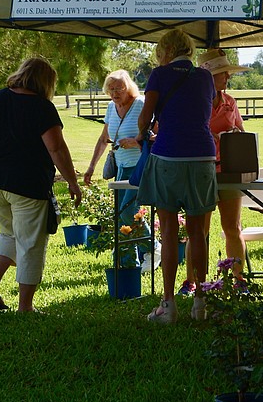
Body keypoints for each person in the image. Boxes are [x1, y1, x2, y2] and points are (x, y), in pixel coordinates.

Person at [0, 57, 82, 313]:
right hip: (28, 185)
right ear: (46, 82)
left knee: (10, 234)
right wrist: (72, 182)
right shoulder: (42, 107)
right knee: (30, 243)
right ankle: (25, 307)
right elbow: (56, 148)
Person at [136, 29, 216, 324]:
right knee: (198, 232)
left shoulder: (159, 74)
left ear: (167, 50)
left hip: (169, 153)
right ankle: (200, 302)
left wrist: (144, 133)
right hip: (203, 156)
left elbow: (145, 117)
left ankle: (168, 304)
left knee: (168, 231)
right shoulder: (206, 77)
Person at [178, 49, 249, 296]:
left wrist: (236, 136)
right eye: (222, 73)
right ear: (208, 77)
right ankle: (193, 282)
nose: (227, 76)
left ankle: (239, 280)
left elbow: (240, 129)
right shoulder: (194, 102)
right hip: (201, 171)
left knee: (232, 227)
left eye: (227, 72)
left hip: (229, 172)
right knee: (199, 230)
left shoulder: (230, 102)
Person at [83, 70, 145, 227]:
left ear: (128, 88)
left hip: (139, 167)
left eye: (119, 88)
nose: (114, 93)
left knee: (128, 212)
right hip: (120, 168)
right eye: (110, 89)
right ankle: (126, 252)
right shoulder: (111, 107)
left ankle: (154, 247)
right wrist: (91, 167)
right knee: (120, 215)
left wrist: (136, 143)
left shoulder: (140, 104)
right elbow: (104, 139)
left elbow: (156, 135)